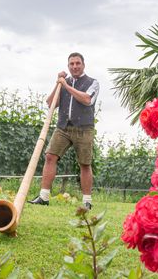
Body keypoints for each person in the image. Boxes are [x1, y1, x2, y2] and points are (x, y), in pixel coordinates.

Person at [28, 52, 99, 210]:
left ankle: (87, 201)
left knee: (85, 164)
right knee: (50, 157)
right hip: (63, 127)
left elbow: (87, 99)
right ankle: (44, 196)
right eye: (71, 64)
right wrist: (57, 83)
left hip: (84, 128)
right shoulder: (63, 83)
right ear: (68, 66)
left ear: (83, 65)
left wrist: (66, 86)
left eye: (77, 63)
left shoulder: (92, 82)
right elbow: (50, 102)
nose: (74, 66)